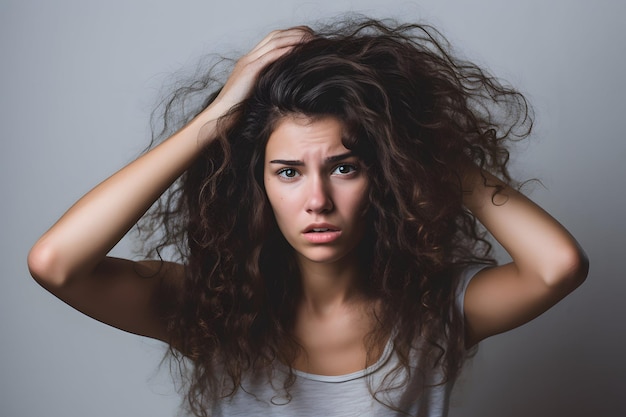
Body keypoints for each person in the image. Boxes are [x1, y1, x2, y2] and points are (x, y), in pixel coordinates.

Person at [27, 18, 588, 417]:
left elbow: (558, 266)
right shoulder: (214, 306)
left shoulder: (434, 306)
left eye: (345, 168)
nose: (317, 199)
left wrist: (423, 143)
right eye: (288, 172)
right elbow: (56, 263)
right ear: (257, 185)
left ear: (385, 174)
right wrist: (219, 115)